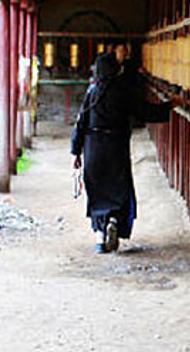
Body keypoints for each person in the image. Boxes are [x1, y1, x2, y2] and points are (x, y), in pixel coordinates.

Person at [71, 52, 172, 253]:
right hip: (116, 147)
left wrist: (76, 152)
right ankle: (115, 220)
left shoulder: (91, 93)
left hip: (93, 148)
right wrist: (170, 106)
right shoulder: (123, 92)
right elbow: (145, 112)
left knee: (97, 190)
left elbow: (80, 123)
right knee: (118, 187)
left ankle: (100, 238)